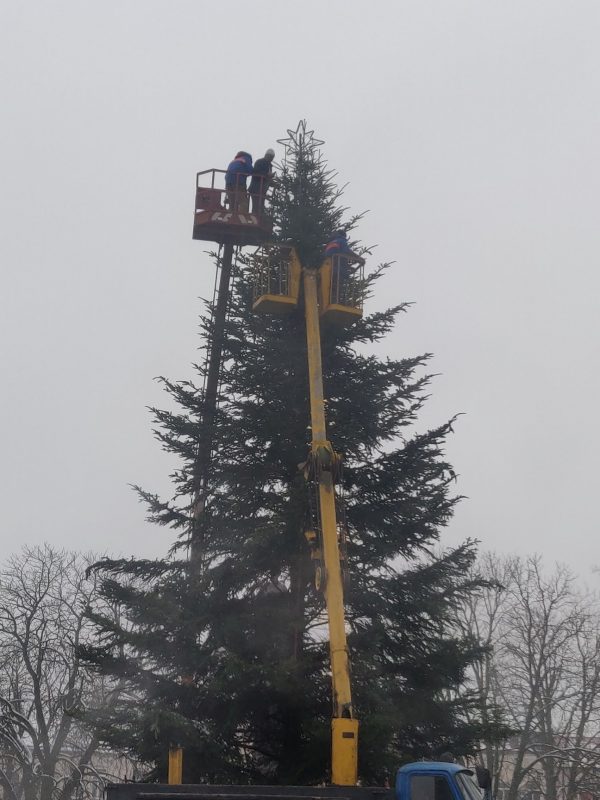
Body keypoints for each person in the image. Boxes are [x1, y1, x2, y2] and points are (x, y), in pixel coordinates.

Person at [322, 230, 364, 305]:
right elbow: (346, 251)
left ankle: (330, 302)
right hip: (339, 270)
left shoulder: (331, 243)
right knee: (338, 288)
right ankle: (335, 302)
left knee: (332, 287)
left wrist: (349, 267)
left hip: (329, 269)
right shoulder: (341, 241)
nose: (332, 234)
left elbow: (335, 257)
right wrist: (359, 258)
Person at [249, 148, 275, 213]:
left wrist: (273, 183)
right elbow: (255, 173)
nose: (271, 158)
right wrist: (267, 174)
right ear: (266, 155)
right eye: (270, 156)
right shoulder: (259, 162)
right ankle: (255, 219)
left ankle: (259, 218)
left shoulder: (269, 166)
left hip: (262, 190)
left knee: (260, 207)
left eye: (272, 157)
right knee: (256, 207)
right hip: (256, 189)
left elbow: (267, 179)